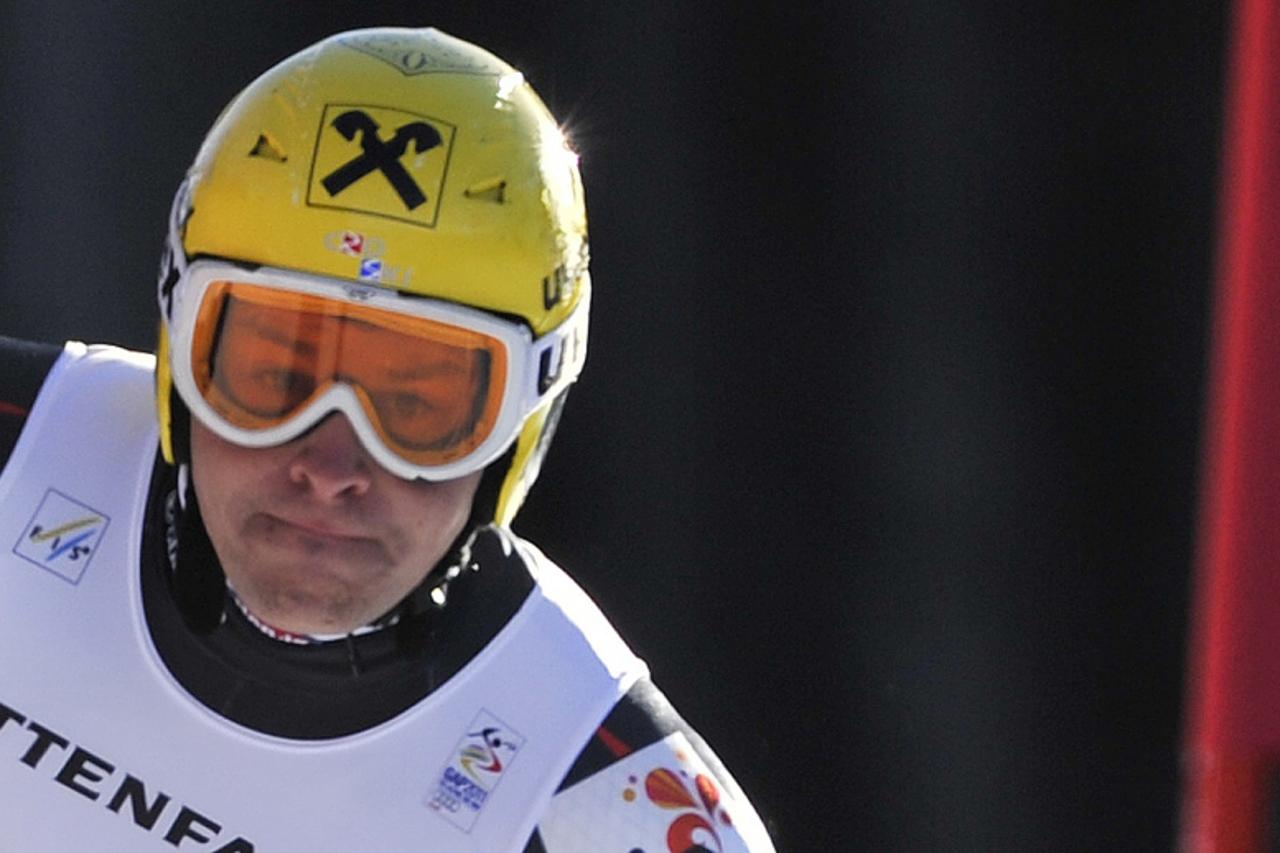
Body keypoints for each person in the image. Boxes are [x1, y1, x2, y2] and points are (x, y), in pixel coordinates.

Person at [0, 27, 774, 853]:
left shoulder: (611, 808)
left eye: (416, 408)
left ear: (519, 428)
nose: (331, 467)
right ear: (181, 362)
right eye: (277, 378)